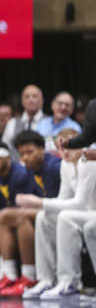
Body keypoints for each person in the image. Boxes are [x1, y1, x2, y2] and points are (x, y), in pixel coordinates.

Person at [0, 130, 60, 297]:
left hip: (60, 211)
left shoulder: (53, 166)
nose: (26, 157)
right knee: (14, 220)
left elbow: (55, 199)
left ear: (43, 149)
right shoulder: (29, 169)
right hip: (43, 212)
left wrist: (35, 203)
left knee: (8, 216)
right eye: (22, 154)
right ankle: (12, 276)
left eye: (30, 152)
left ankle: (19, 274)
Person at [18, 128, 94, 299]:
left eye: (69, 146)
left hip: (92, 212)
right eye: (61, 146)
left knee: (65, 217)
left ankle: (70, 282)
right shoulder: (66, 165)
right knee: (44, 217)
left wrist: (39, 202)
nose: (65, 151)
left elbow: (80, 203)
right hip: (85, 214)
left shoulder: (88, 161)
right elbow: (63, 199)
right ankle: (46, 279)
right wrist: (43, 207)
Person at [2, 84, 44, 157]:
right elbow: (5, 149)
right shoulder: (12, 123)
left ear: (42, 100)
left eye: (35, 96)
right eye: (27, 97)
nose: (31, 100)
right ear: (22, 101)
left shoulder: (50, 122)